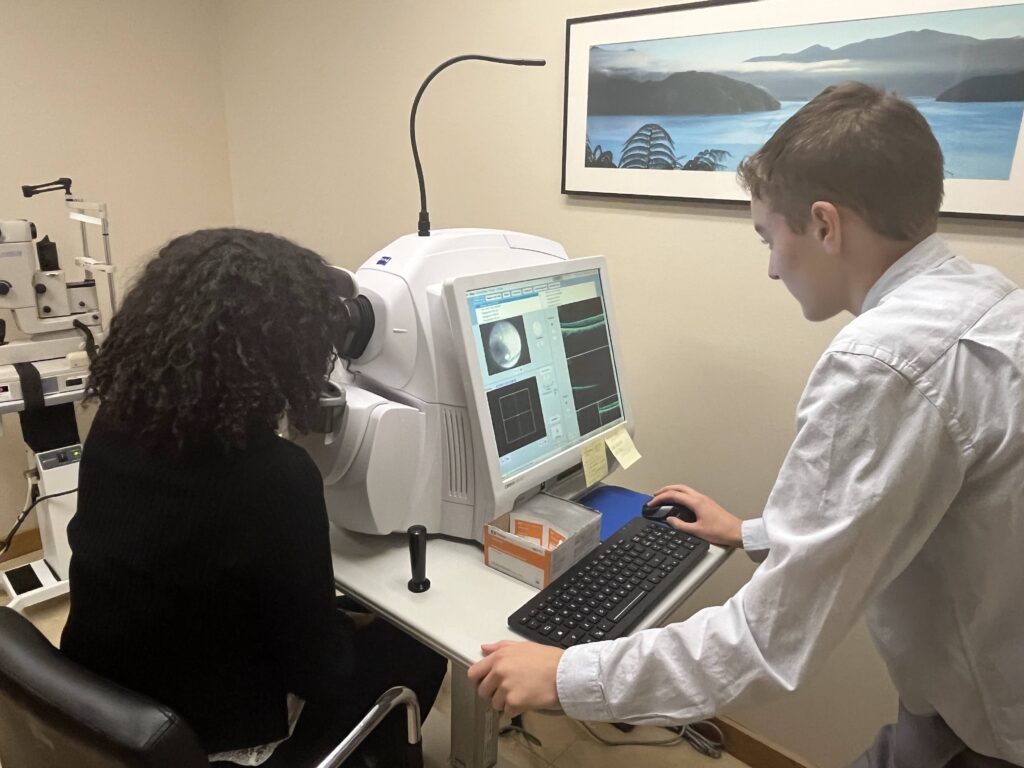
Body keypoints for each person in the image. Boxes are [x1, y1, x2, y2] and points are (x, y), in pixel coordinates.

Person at [468, 82, 1024, 767]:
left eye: (769, 236)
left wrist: (563, 677)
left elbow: (766, 641)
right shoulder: (982, 295)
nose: (769, 267)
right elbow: (909, 502)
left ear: (825, 225)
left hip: (987, 731)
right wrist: (752, 533)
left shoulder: (885, 363)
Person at [60, 228, 447, 767]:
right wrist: (349, 623)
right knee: (420, 646)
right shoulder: (277, 477)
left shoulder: (115, 424)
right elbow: (319, 671)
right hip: (217, 736)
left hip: (105, 709)